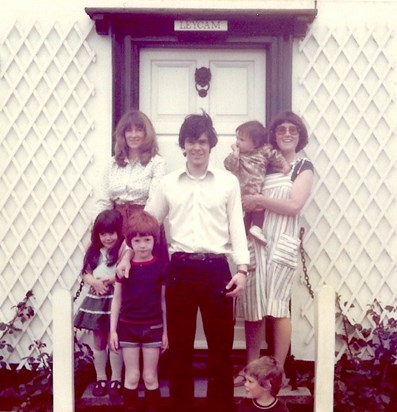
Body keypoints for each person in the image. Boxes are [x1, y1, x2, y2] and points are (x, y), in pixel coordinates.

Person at [118, 110, 250, 412]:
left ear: (211, 144)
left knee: (220, 349)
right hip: (180, 271)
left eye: (203, 141)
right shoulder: (168, 184)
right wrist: (126, 254)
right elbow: (147, 222)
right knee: (180, 349)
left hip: (217, 270)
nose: (197, 147)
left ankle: (221, 408)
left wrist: (241, 270)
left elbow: (237, 228)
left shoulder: (228, 183)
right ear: (183, 144)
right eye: (191, 141)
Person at [238, 111, 314, 382]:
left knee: (278, 307)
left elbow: (294, 206)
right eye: (281, 129)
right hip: (256, 240)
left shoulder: (302, 167)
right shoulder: (266, 163)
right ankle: (251, 371)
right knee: (254, 306)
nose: (286, 134)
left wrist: (260, 199)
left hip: (282, 242)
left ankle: (277, 372)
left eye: (292, 129)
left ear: (299, 135)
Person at [110, 210, 168, 412]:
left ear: (154, 240)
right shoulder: (123, 268)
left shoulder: (160, 267)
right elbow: (116, 300)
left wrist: (165, 332)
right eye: (137, 241)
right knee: (132, 376)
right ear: (130, 243)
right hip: (128, 328)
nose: (142, 245)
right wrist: (113, 331)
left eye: (146, 240)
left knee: (150, 376)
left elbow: (163, 301)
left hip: (153, 328)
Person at [95, 109, 168, 261]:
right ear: (122, 134)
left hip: (145, 228)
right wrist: (101, 231)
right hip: (116, 226)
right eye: (129, 130)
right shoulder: (112, 163)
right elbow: (103, 201)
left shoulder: (157, 163)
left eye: (139, 130)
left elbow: (155, 203)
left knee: (143, 278)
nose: (133, 135)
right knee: (115, 277)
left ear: (146, 134)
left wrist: (138, 235)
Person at [74, 209, 124, 398]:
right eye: (103, 233)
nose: (108, 238)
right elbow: (86, 273)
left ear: (119, 232)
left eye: (111, 233)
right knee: (99, 340)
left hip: (115, 299)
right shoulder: (94, 251)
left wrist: (111, 280)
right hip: (97, 301)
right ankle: (101, 377)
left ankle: (116, 379)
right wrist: (94, 282)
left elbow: (124, 272)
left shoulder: (122, 251)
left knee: (115, 338)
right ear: (98, 234)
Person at [224, 121, 290, 244]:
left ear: (255, 145)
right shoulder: (238, 156)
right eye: (237, 138)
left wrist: (285, 164)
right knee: (240, 216)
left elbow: (276, 155)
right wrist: (235, 153)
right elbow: (230, 166)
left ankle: (256, 229)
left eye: (242, 139)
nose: (237, 142)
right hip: (240, 194)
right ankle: (237, 236)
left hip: (255, 191)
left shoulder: (263, 151)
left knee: (257, 209)